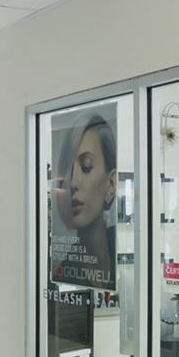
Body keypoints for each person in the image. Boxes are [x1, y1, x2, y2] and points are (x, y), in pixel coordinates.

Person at [50, 111, 118, 290]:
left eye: (86, 167)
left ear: (111, 183)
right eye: (68, 171)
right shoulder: (64, 272)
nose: (72, 183)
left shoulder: (123, 251)